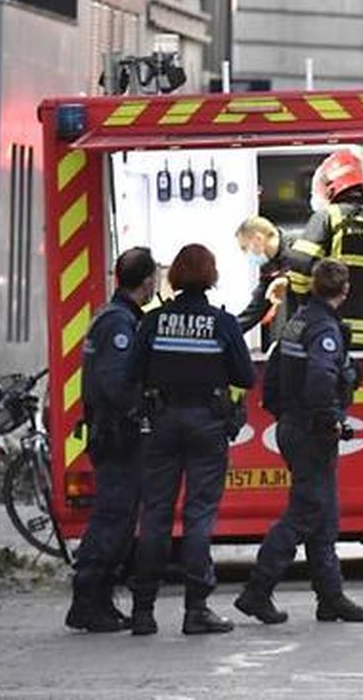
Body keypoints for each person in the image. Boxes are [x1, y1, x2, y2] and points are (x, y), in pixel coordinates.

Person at [234, 259, 363, 626]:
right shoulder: (324, 328)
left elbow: (276, 371)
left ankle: (330, 597)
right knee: (304, 513)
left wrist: (284, 413)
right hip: (312, 430)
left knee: (323, 515)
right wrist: (331, 420)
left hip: (294, 425)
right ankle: (257, 591)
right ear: (344, 292)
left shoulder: (296, 321)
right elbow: (320, 378)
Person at [127, 244, 256, 636]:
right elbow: (246, 377)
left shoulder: (154, 321)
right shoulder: (222, 323)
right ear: (211, 275)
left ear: (176, 276)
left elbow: (134, 370)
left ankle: (143, 611)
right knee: (199, 514)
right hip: (207, 424)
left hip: (162, 423)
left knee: (155, 515)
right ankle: (196, 609)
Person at [66, 248, 159, 633]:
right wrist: (140, 410)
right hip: (118, 436)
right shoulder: (120, 324)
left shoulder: (115, 317)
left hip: (112, 433)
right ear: (147, 281)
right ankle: (87, 601)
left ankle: (99, 600)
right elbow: (116, 383)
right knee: (113, 519)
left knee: (117, 519)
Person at [286, 149, 363, 350]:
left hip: (330, 328)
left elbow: (299, 265)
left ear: (330, 188)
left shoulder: (328, 217)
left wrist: (310, 301)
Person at [234, 215, 297, 335]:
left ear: (258, 239)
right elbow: (258, 306)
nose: (245, 253)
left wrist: (288, 280)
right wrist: (229, 331)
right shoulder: (269, 264)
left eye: (244, 248)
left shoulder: (300, 247)